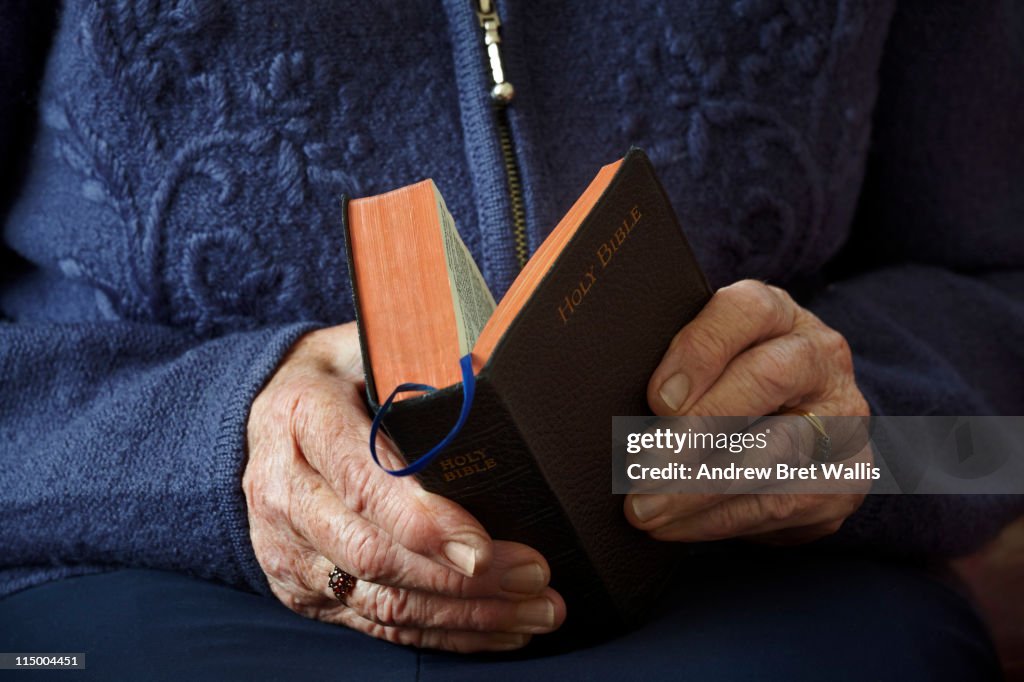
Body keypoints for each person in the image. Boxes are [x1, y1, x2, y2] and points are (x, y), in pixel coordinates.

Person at [1, 0, 1021, 679]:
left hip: (750, 585)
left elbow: (997, 393)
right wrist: (207, 445)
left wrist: (848, 437)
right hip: (142, 579)